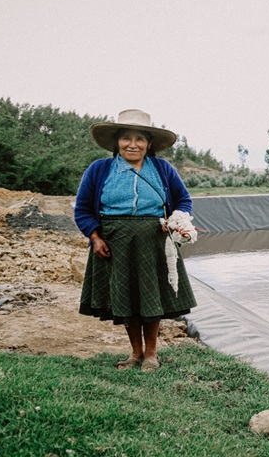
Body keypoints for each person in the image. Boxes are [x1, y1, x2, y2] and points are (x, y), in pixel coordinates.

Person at [74, 109, 197, 372]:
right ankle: (135, 353)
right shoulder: (99, 170)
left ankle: (151, 354)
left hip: (154, 240)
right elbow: (82, 208)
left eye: (140, 138)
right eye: (126, 138)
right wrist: (95, 237)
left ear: (149, 143)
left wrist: (177, 219)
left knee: (150, 298)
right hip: (115, 243)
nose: (133, 144)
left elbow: (183, 200)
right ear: (116, 142)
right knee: (127, 297)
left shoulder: (163, 170)